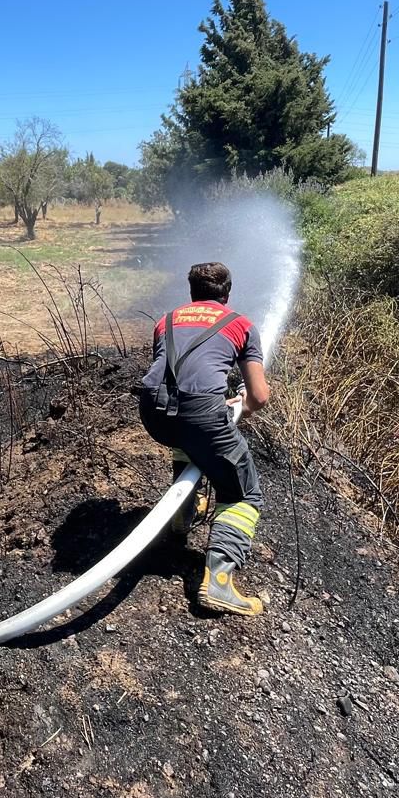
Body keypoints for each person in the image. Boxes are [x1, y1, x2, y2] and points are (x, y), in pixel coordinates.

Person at [137, 262, 270, 616]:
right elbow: (259, 396)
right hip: (199, 415)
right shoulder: (240, 324)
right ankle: (220, 584)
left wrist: (212, 404)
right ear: (227, 294)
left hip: (152, 413)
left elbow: (173, 380)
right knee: (243, 492)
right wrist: (239, 400)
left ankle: (181, 517)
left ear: (192, 293)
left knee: (189, 439)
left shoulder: (165, 321)